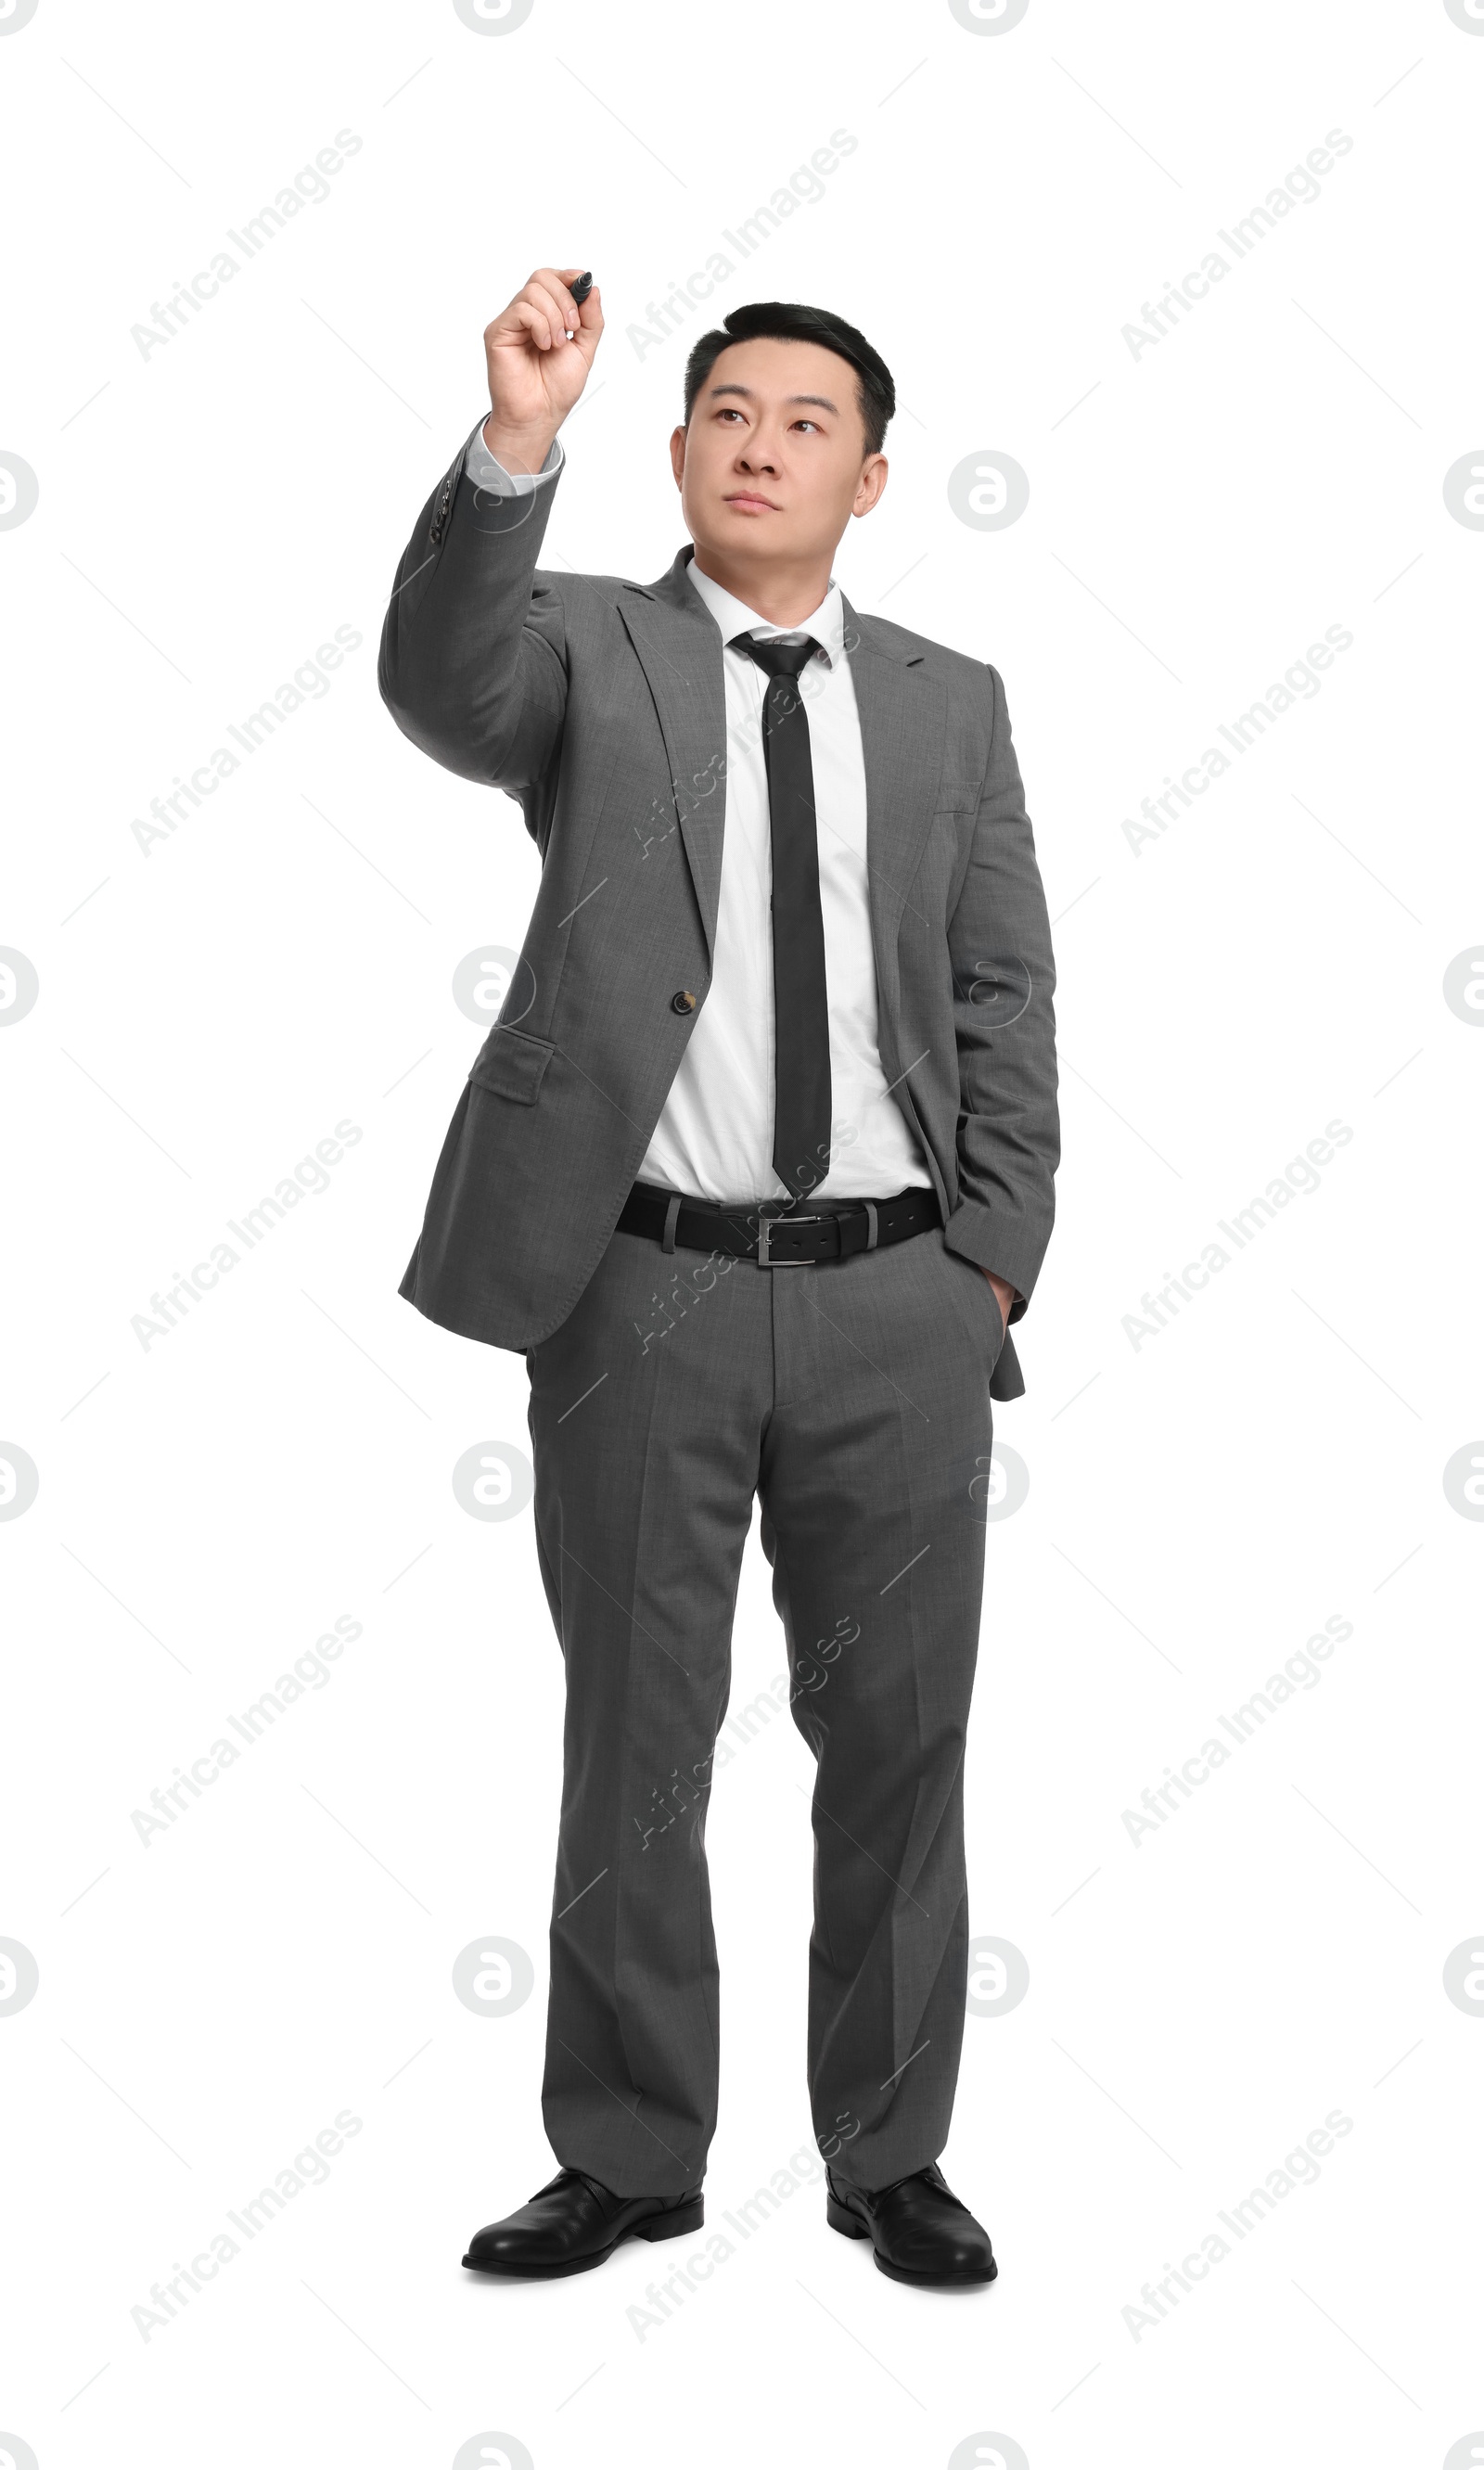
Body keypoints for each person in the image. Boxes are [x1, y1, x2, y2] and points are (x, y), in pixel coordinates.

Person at [379, 267, 1060, 2289]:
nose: (761, 445)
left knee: (903, 1743)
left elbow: (1003, 986)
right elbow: (438, 682)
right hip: (640, 1293)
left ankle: (888, 2153)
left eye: (806, 423)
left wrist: (989, 1265)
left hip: (896, 1302)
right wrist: (515, 443)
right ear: (678, 451)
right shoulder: (585, 648)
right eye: (727, 414)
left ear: (867, 475)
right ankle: (624, 2151)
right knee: (635, 1738)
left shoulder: (949, 699)